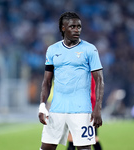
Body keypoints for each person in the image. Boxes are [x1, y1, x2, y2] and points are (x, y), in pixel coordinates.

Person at [38, 12, 104, 150]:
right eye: (72, 26)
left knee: (84, 148)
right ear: (63, 28)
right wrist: (42, 105)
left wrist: (97, 108)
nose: (77, 30)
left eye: (79, 27)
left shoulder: (90, 49)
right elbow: (47, 81)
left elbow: (99, 81)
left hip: (82, 110)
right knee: (46, 147)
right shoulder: (52, 50)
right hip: (57, 109)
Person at [67, 74, 102, 150]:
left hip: (84, 109)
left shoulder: (85, 73)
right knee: (90, 138)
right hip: (83, 108)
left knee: (74, 138)